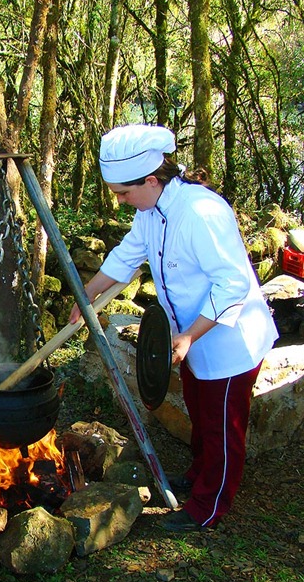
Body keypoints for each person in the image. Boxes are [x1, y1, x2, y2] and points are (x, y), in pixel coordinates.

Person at [69, 124, 278, 533]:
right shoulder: (151, 212)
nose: (122, 202)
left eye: (124, 193)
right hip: (188, 336)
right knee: (201, 414)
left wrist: (189, 336)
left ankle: (208, 505)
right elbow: (129, 253)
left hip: (226, 340)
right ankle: (201, 474)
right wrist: (87, 293)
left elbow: (232, 282)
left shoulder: (201, 212)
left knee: (221, 426)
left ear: (151, 179)